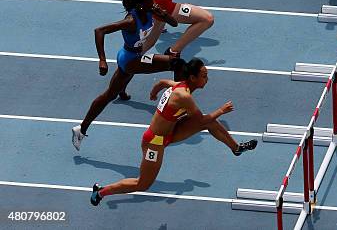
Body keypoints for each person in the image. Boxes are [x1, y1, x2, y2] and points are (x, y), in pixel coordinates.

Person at [89, 58, 258, 205]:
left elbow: (162, 82)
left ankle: (236, 148)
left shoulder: (181, 86)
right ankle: (101, 191)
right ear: (192, 78)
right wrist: (221, 110)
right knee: (143, 184)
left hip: (171, 132)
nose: (207, 79)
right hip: (154, 142)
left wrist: (154, 92)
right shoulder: (184, 96)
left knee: (211, 122)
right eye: (204, 76)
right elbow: (200, 121)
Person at [71, 0, 180, 151]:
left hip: (133, 56)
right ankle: (179, 102)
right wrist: (102, 60)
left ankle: (81, 129)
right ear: (140, 5)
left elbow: (174, 23)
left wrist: (163, 14)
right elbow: (99, 31)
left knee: (110, 94)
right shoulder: (131, 21)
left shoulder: (151, 11)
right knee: (175, 63)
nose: (153, 2)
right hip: (131, 60)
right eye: (150, 0)